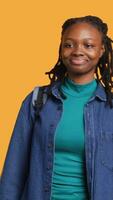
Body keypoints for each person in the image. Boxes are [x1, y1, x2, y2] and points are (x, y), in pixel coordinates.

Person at [0, 15, 113, 200]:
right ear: (61, 49)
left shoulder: (110, 107)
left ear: (101, 50)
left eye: (88, 45)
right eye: (69, 44)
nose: (78, 51)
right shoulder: (37, 100)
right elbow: (14, 169)